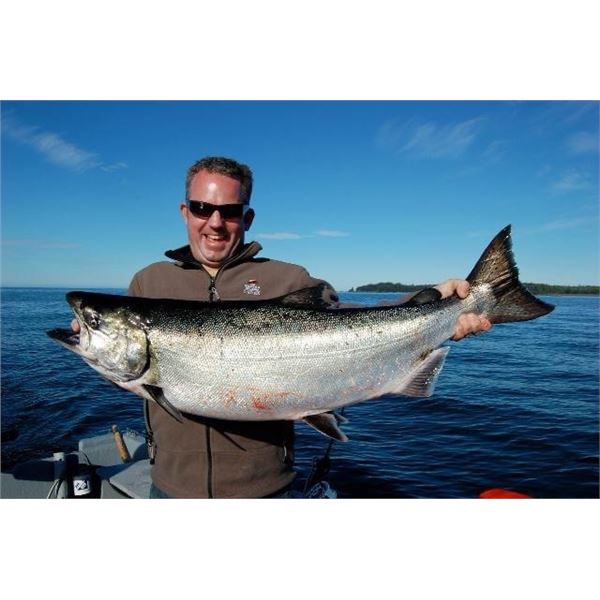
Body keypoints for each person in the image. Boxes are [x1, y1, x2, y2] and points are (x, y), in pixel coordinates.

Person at [72, 156, 491, 498]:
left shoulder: (286, 278)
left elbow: (352, 320)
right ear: (186, 211)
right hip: (171, 487)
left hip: (265, 490)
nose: (215, 222)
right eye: (202, 208)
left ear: (247, 217)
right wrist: (96, 342)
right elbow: (132, 373)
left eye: (229, 211)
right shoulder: (148, 283)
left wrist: (438, 303)